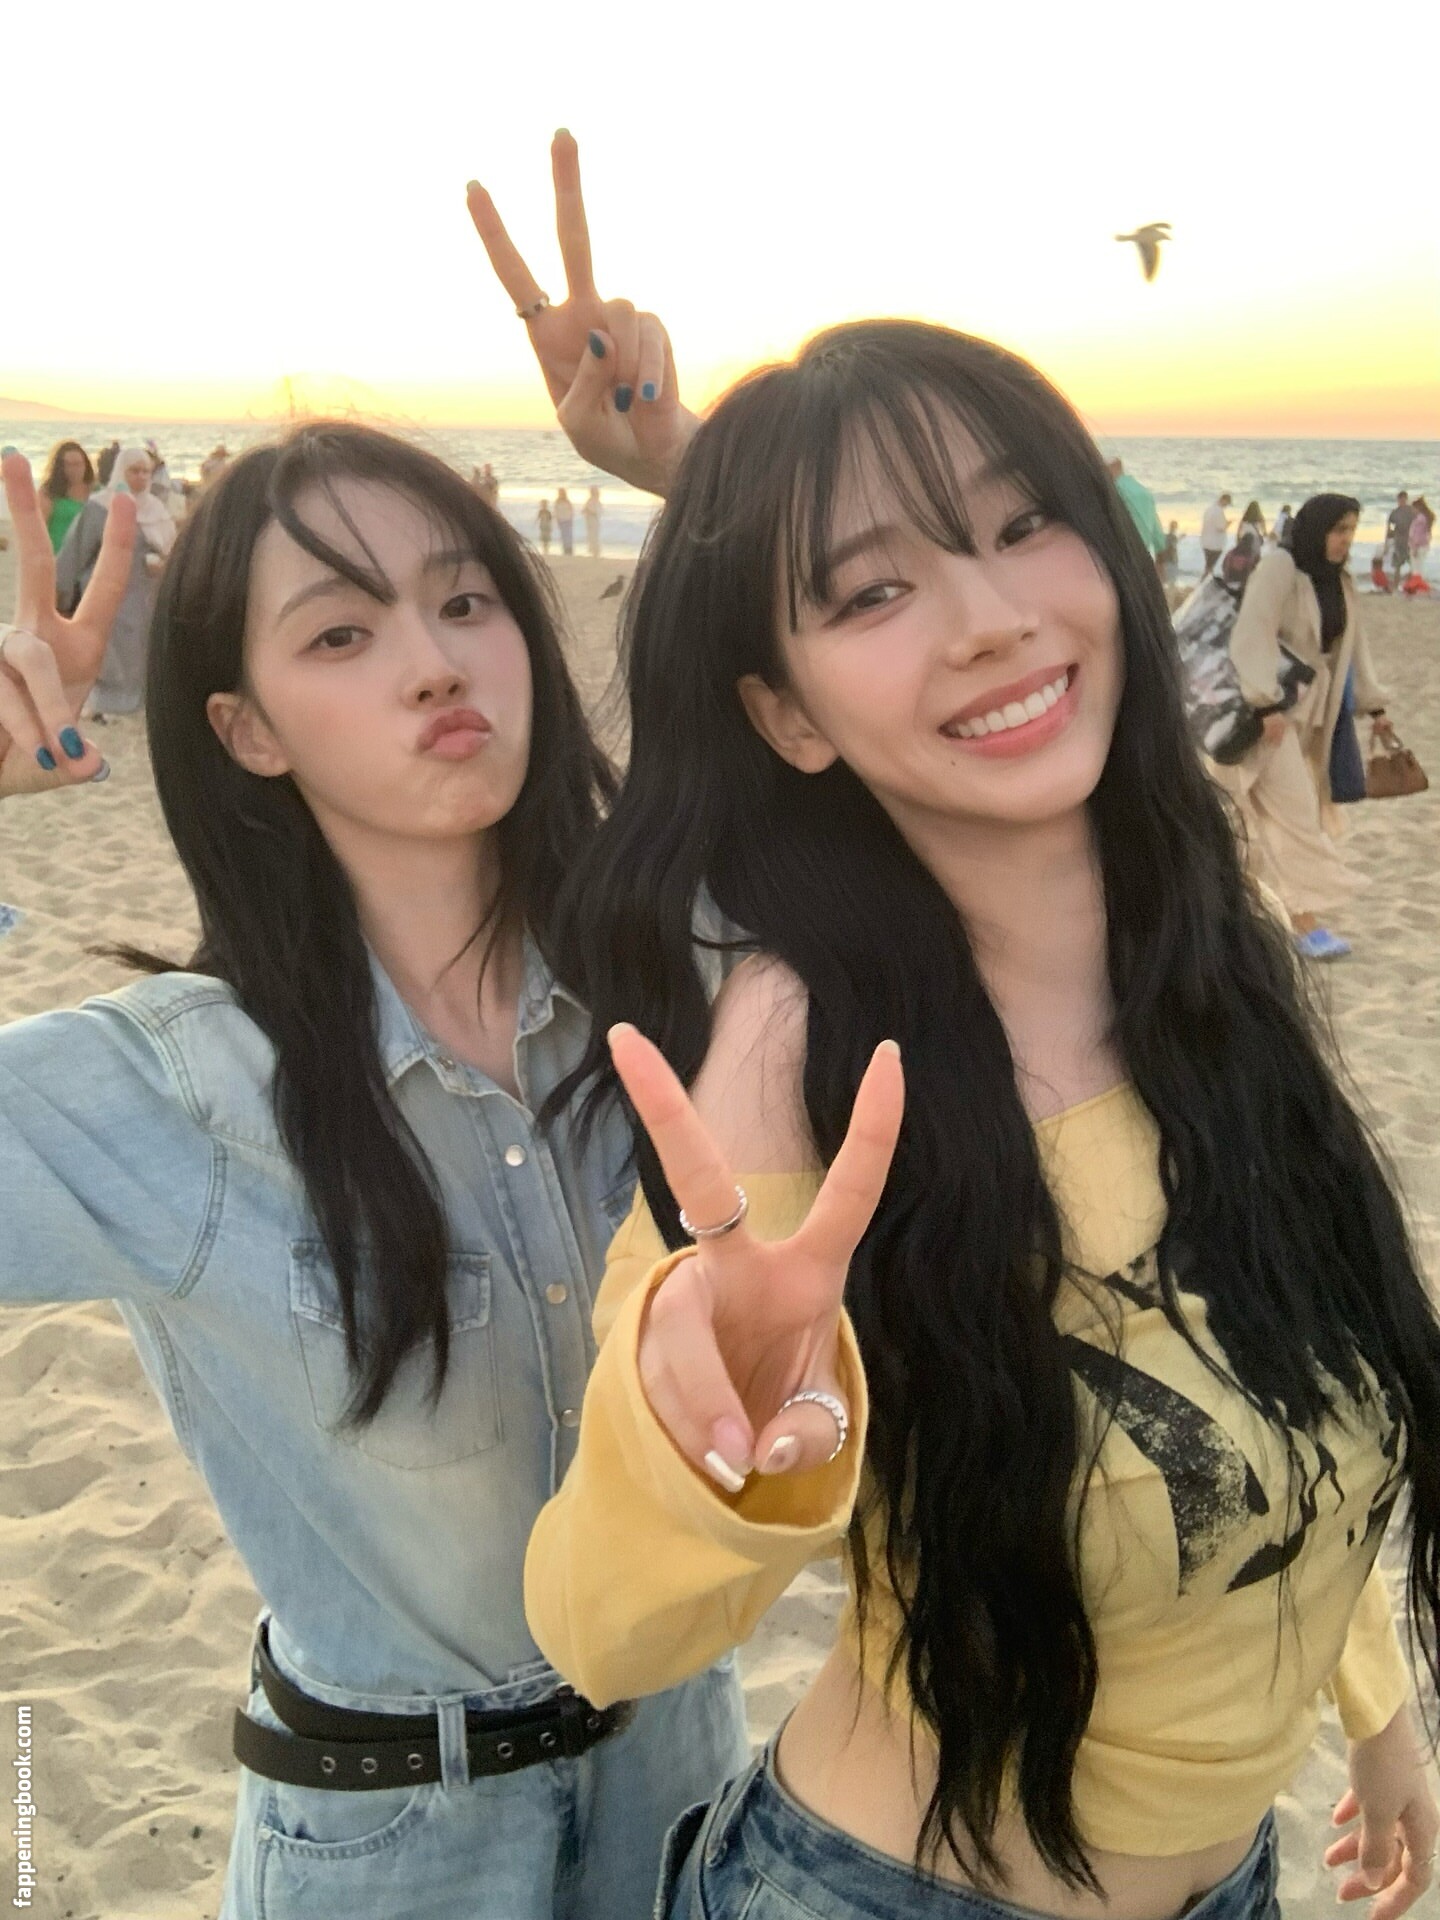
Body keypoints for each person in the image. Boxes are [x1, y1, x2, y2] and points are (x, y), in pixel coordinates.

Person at [473, 138, 1440, 1920]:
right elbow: (601, 1631)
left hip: (1236, 1881)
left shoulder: (1200, 953)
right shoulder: (805, 1047)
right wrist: (703, 1425)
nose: (995, 621)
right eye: (873, 592)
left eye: (1021, 528)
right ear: (788, 715)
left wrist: (1373, 1708)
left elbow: (1266, 1385)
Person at [0, 428, 746, 1920]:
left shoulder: (682, 978)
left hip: (684, 1796)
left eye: (465, 602)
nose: (433, 664)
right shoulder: (179, 1088)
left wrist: (693, 466)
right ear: (245, 729)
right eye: (341, 633)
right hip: (398, 1843)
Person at [1215, 494, 1392, 962]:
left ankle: (1239, 911)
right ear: (1316, 529)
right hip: (1265, 716)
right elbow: (1251, 632)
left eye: (1352, 529)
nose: (1346, 539)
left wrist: (1375, 707)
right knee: (1293, 815)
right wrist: (1264, 704)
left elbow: (1353, 649)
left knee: (1254, 817)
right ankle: (1304, 924)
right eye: (1338, 529)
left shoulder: (1338, 580)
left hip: (1312, 716)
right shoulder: (1281, 568)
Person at [54, 447, 176, 715]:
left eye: (146, 471)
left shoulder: (155, 508)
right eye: (134, 471)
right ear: (121, 471)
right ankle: (106, 703)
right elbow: (76, 552)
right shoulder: (100, 507)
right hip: (110, 596)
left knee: (142, 651)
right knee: (112, 652)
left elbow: (171, 549)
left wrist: (162, 564)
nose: (141, 477)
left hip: (147, 596)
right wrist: (61, 595)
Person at [1105, 458, 1165, 579]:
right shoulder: (1144, 492)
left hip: (1121, 556)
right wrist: (1160, 561)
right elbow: (1158, 533)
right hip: (1142, 555)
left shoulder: (1112, 491)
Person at [35, 438, 94, 555]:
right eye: (68, 465)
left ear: (85, 465)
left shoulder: (96, 491)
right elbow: (37, 532)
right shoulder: (49, 492)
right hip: (58, 557)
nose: (74, 470)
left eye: (78, 464)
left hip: (88, 559)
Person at [1385, 492, 1415, 588]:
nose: (1402, 502)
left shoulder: (1411, 511)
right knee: (1397, 565)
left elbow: (1418, 524)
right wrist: (1387, 541)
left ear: (1406, 499)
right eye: (1400, 500)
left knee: (1413, 564)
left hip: (1409, 541)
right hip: (1398, 541)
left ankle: (1411, 585)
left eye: (1403, 499)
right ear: (1398, 500)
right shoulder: (1395, 512)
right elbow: (1388, 525)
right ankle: (1396, 585)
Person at [1200, 490, 1231, 576]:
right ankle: (1203, 581)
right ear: (1223, 500)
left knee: (1208, 566)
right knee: (1209, 567)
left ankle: (1205, 581)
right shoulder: (1218, 511)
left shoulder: (1209, 509)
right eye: (1227, 503)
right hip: (1215, 544)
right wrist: (1228, 524)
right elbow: (1220, 528)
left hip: (1205, 541)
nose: (1226, 506)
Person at [553, 486, 575, 556]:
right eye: (560, 493)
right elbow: (556, 512)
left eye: (562, 493)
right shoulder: (557, 502)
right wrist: (557, 519)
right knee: (563, 535)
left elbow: (571, 511)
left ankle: (569, 548)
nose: (561, 494)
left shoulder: (567, 501)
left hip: (567, 519)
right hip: (561, 520)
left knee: (568, 534)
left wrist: (571, 519)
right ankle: (565, 548)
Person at [583, 484, 602, 557]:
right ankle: (594, 551)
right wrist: (586, 511)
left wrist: (588, 511)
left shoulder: (595, 500)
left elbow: (597, 512)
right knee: (592, 535)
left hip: (593, 520)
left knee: (594, 536)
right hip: (590, 520)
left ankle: (595, 551)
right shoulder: (591, 500)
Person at [1159, 518, 1180, 585]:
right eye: (1175, 527)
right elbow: (1172, 547)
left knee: (1168, 579)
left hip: (1168, 560)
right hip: (1171, 560)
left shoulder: (1166, 536)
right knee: (1171, 579)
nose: (1175, 529)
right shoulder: (1172, 537)